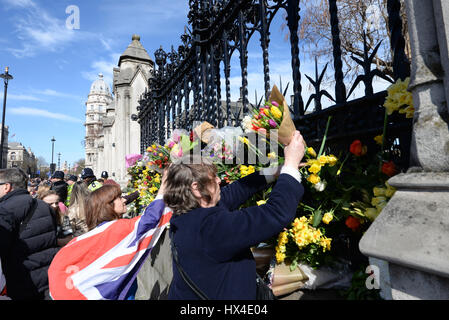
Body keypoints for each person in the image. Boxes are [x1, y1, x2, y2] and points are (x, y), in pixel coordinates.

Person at [164, 130, 306, 300]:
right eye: (214, 178)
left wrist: (275, 172)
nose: (219, 181)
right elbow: (275, 213)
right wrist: (291, 165)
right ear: (195, 188)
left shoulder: (185, 215)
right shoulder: (211, 229)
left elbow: (233, 192)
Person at [48, 180, 172, 300]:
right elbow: (149, 220)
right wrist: (163, 187)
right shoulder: (117, 228)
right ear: (108, 205)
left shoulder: (104, 229)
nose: (123, 199)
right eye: (118, 197)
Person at [0, 168, 60, 300]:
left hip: (21, 281)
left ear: (6, 187)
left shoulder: (4, 210)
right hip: (48, 279)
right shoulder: (44, 206)